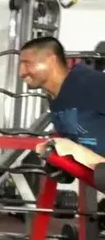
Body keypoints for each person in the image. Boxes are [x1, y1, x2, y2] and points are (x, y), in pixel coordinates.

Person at [21, 36, 105, 167]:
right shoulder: (55, 98)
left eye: (27, 64)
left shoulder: (92, 83)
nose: (21, 72)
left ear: (51, 60)